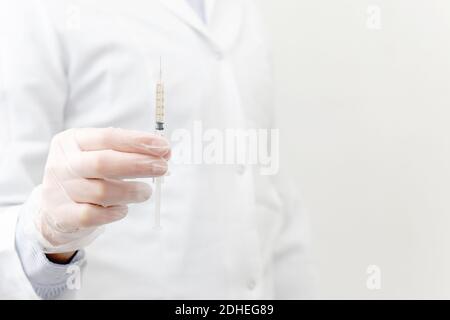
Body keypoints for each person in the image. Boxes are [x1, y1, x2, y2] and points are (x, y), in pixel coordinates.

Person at [0, 0, 315, 299]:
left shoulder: (243, 11)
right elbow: (10, 210)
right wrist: (46, 235)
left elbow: (267, 190)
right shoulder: (34, 10)